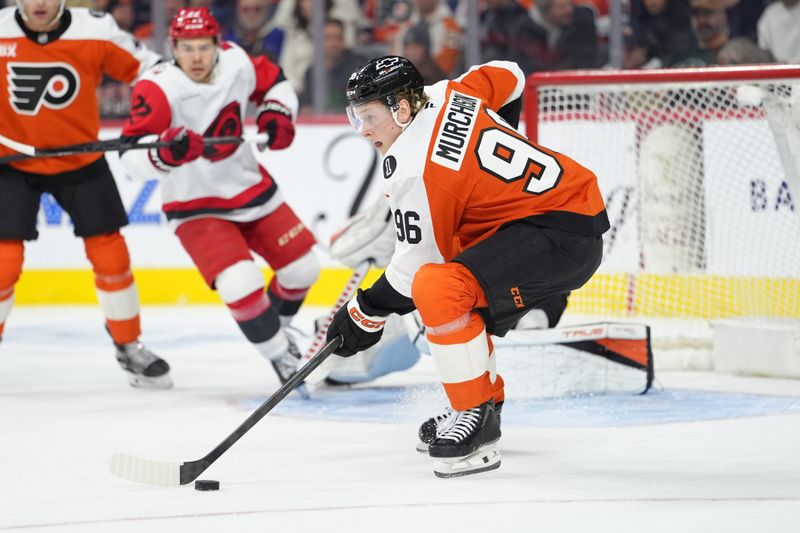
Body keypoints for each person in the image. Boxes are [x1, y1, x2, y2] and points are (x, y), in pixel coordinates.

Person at [326, 56, 609, 478]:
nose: (363, 129)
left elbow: (413, 271)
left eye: (369, 116)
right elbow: (511, 74)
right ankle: (483, 402)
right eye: (356, 116)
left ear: (402, 110)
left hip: (559, 237)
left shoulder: (415, 170)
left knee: (439, 288)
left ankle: (475, 417)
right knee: (455, 275)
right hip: (565, 212)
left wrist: (364, 310)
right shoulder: (448, 93)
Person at [118, 8, 320, 391]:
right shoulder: (158, 86)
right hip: (196, 205)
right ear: (172, 47)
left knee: (303, 270)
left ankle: (274, 332)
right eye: (187, 48)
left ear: (218, 45)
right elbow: (130, 156)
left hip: (251, 188)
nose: (196, 57)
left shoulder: (237, 62)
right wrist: (164, 152)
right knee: (239, 283)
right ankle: (282, 357)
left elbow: (275, 82)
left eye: (203, 48)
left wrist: (277, 114)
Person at [0, 0, 170, 389]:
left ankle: (129, 345)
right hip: (10, 162)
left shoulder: (95, 29)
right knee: (3, 264)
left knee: (111, 254)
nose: (39, 4)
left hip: (78, 157)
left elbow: (156, 72)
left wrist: (151, 120)